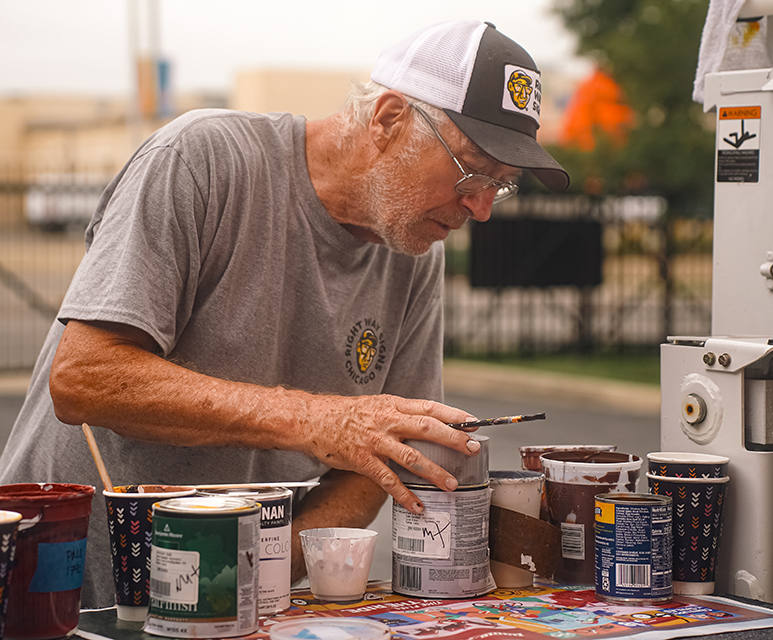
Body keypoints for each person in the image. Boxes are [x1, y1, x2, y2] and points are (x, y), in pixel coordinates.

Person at [0, 19, 568, 607]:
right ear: (389, 120)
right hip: (60, 584)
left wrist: (258, 569)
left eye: (501, 185)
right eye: (472, 171)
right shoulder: (202, 159)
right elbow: (82, 378)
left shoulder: (414, 251)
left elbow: (381, 457)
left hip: (226, 604)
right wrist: (315, 421)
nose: (480, 209)